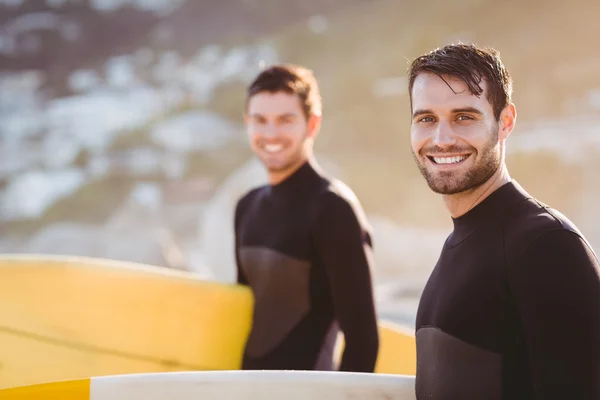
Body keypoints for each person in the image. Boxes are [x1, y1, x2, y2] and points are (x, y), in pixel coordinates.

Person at [407, 43, 600, 399]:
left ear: (505, 122)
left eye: (464, 117)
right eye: (427, 119)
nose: (442, 139)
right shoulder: (458, 246)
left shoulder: (546, 246)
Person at [233, 63, 379, 372]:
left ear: (311, 125)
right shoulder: (247, 206)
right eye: (260, 120)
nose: (271, 133)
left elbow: (363, 339)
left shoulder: (333, 209)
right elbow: (246, 312)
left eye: (285, 120)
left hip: (310, 390)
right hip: (247, 391)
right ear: (247, 123)